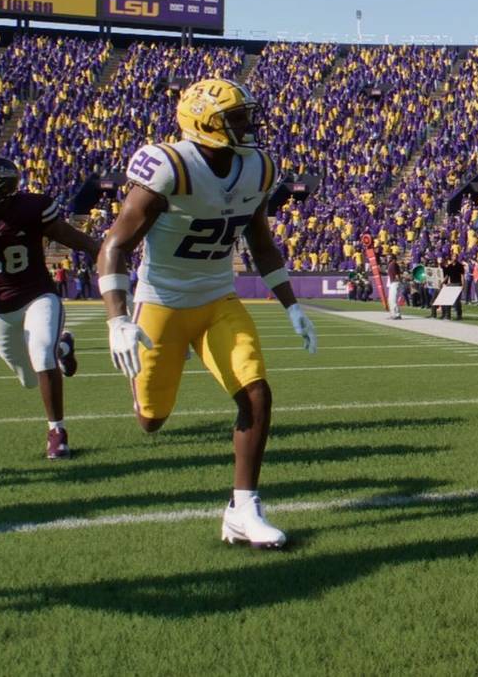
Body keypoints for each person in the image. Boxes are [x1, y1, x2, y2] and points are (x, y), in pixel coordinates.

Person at [98, 78, 317, 548]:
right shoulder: (171, 166)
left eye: (245, 115)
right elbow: (114, 246)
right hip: (162, 303)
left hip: (219, 299)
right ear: (205, 123)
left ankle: (243, 509)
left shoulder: (256, 167)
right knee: (152, 420)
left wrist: (291, 305)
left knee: (256, 393)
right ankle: (149, 381)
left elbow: (260, 242)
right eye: (236, 118)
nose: (248, 125)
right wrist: (118, 319)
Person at [0, 157, 100, 459]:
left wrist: (105, 253)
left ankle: (57, 432)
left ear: (1, 187)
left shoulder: (31, 207)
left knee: (40, 354)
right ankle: (63, 349)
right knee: (28, 378)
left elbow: (71, 237)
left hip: (38, 296)